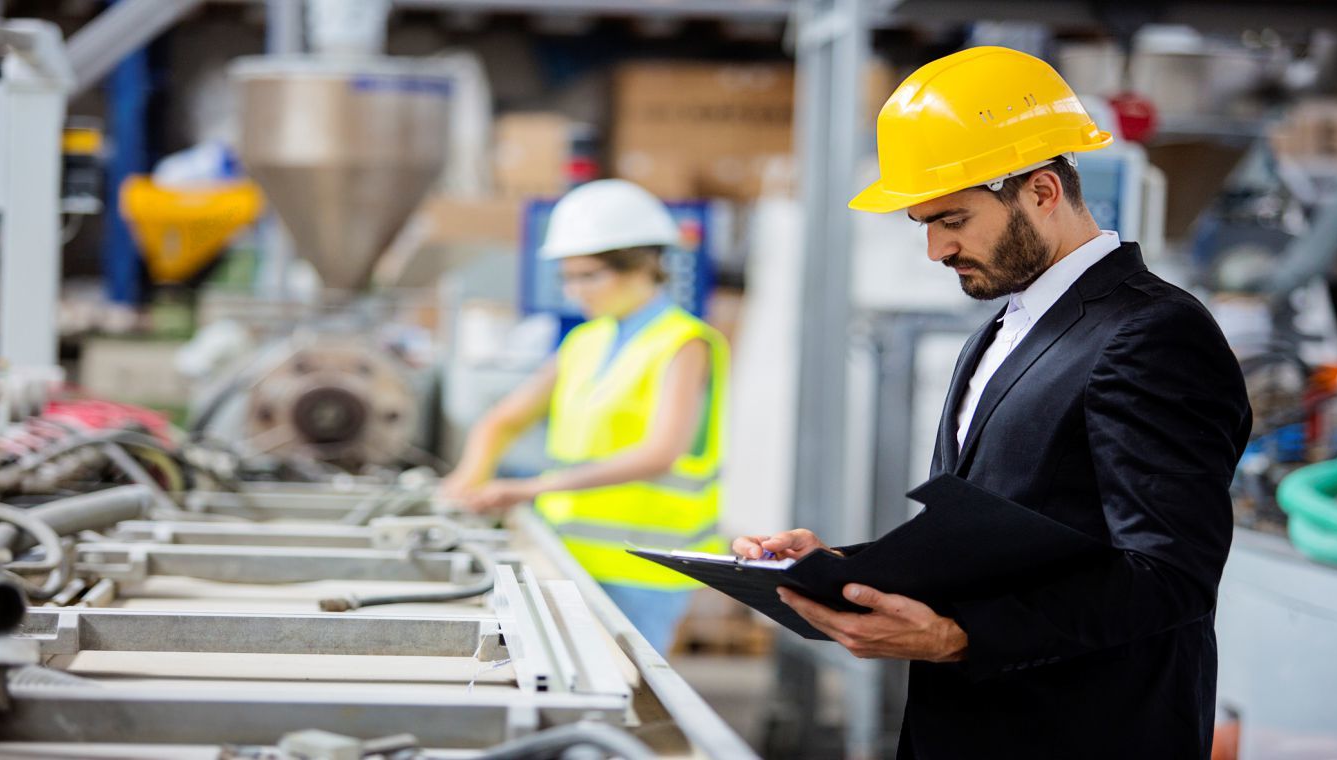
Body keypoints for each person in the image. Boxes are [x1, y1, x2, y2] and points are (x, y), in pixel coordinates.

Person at [734, 47, 1252, 758]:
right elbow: (1010, 536)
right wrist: (845, 568)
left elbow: (1169, 575)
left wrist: (959, 637)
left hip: (1084, 733)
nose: (935, 250)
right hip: (971, 726)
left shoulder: (1151, 333)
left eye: (952, 219)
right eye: (923, 224)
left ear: (1041, 191)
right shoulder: (1001, 333)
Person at [442, 178, 728, 655]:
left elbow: (661, 453)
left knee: (629, 697)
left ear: (644, 266)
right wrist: (467, 480)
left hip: (645, 567)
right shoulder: (585, 342)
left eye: (590, 276)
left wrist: (529, 488)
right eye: (568, 277)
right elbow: (503, 420)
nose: (576, 291)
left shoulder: (684, 343)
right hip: (569, 553)